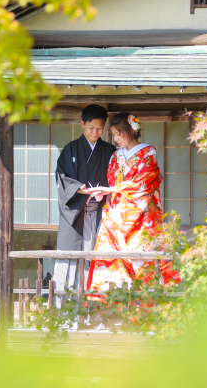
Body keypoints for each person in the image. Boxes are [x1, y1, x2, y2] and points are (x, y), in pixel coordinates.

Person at [85, 113, 180, 292]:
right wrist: (103, 194)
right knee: (109, 253)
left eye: (119, 133)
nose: (116, 138)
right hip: (116, 212)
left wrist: (112, 190)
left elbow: (144, 182)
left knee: (142, 253)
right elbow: (111, 183)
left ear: (131, 130)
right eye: (114, 135)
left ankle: (143, 298)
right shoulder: (115, 156)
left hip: (142, 213)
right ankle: (110, 298)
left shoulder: (148, 151)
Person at [53, 104, 115, 306]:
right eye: (91, 128)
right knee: (69, 258)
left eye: (100, 128)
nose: (96, 132)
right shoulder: (70, 149)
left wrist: (105, 192)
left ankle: (92, 307)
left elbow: (117, 179)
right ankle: (64, 309)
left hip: (99, 213)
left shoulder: (110, 151)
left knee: (96, 257)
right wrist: (79, 188)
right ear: (82, 124)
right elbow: (62, 178)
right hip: (76, 214)